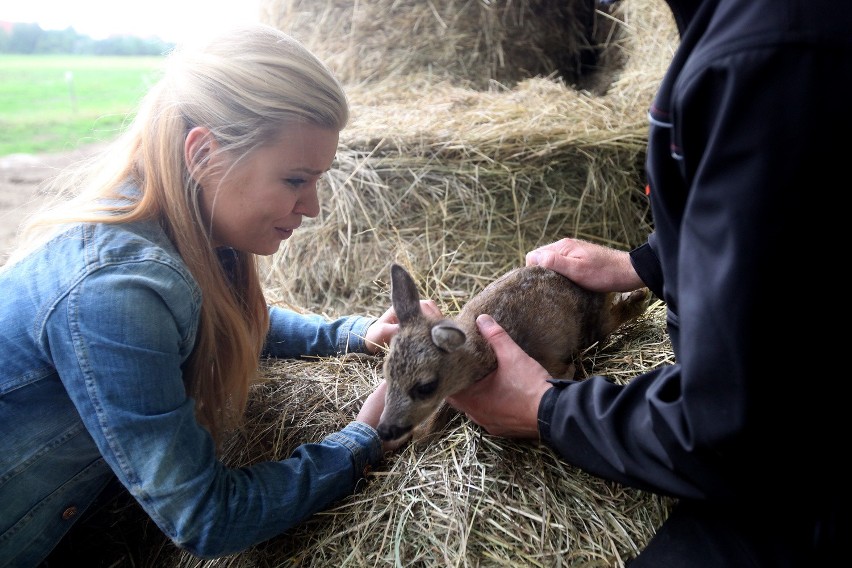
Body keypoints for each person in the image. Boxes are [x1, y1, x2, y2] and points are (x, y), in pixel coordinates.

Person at [0, 24, 436, 566]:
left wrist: (351, 334)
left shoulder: (173, 231)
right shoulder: (115, 292)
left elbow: (219, 320)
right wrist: (362, 438)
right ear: (204, 152)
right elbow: (205, 516)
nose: (314, 206)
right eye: (295, 180)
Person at [448, 0, 846, 565]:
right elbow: (787, 216)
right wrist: (646, 263)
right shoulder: (743, 28)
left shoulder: (770, 55)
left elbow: (737, 428)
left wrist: (547, 409)